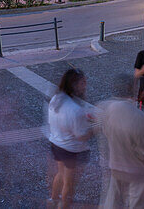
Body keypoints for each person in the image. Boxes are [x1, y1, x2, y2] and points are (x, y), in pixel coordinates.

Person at [98, 73, 144, 209]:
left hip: (115, 166)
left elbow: (104, 132)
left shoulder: (109, 108)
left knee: (112, 201)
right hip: (137, 171)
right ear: (137, 91)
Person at [47, 69, 94, 209]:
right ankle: (64, 205)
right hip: (71, 150)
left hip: (56, 144)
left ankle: (52, 201)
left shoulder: (56, 99)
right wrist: (94, 128)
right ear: (73, 84)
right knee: (69, 183)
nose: (85, 85)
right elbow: (81, 136)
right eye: (82, 82)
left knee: (60, 174)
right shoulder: (75, 109)